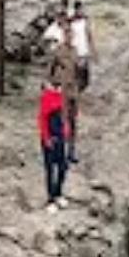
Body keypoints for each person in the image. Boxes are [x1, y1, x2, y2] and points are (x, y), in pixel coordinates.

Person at [49, 17, 80, 163]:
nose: (69, 35)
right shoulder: (57, 51)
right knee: (60, 121)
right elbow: (50, 71)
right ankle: (58, 151)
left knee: (73, 121)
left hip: (73, 90)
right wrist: (53, 87)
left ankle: (71, 152)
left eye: (71, 33)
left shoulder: (75, 52)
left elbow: (78, 71)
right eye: (66, 33)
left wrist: (78, 87)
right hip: (61, 90)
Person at [38, 78, 70, 213]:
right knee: (50, 170)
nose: (58, 88)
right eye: (56, 85)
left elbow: (63, 117)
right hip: (50, 139)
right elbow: (42, 119)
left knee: (62, 166)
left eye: (59, 85)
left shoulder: (60, 98)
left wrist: (66, 131)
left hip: (60, 138)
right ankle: (50, 199)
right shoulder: (45, 98)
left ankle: (58, 193)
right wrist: (46, 138)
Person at [70, 1, 95, 92]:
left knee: (84, 69)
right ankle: (76, 89)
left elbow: (89, 34)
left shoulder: (86, 20)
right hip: (74, 47)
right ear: (76, 10)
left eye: (82, 9)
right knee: (76, 69)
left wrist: (92, 48)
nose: (81, 11)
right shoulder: (71, 20)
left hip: (84, 47)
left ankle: (83, 87)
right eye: (80, 9)